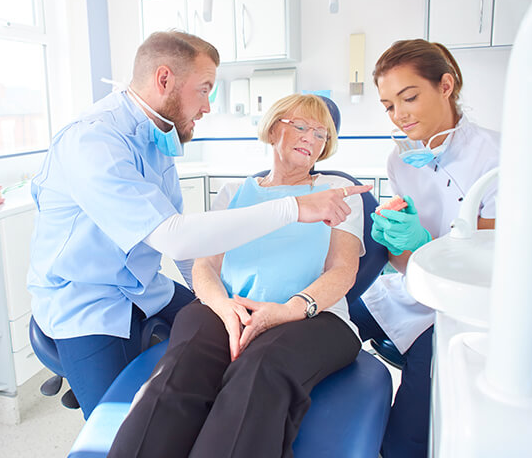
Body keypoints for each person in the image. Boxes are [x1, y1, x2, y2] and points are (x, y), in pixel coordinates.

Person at [27, 31, 371, 418]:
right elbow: (176, 238)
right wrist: (292, 208)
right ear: (164, 80)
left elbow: (197, 258)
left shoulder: (158, 141)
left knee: (208, 339)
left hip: (144, 286)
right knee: (120, 420)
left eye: (321, 133)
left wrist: (218, 299)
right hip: (85, 298)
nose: (208, 106)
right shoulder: (92, 142)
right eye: (204, 90)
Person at [107, 94, 366, 458]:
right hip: (229, 309)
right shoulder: (234, 192)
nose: (312, 138)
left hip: (312, 317)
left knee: (260, 370)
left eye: (321, 134)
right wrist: (223, 307)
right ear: (274, 128)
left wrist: (287, 310)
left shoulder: (339, 192)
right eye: (302, 126)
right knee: (175, 375)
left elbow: (343, 271)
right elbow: (205, 266)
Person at [348, 38, 500, 457]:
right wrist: (397, 242)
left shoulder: (496, 157)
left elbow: (489, 266)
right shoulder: (400, 163)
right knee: (331, 318)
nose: (399, 115)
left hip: (463, 307)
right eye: (389, 106)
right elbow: (403, 265)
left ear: (446, 85)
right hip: (412, 289)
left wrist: (427, 244)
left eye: (408, 97)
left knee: (409, 437)